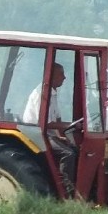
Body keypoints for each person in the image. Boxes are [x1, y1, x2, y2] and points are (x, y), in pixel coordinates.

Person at [22, 63, 77, 196]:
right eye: (61, 74)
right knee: (67, 154)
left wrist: (65, 135)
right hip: (37, 134)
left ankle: (76, 189)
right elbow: (45, 123)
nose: (64, 78)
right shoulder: (42, 94)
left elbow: (57, 119)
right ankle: (66, 191)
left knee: (75, 148)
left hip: (48, 133)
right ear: (51, 76)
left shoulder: (53, 93)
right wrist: (69, 125)